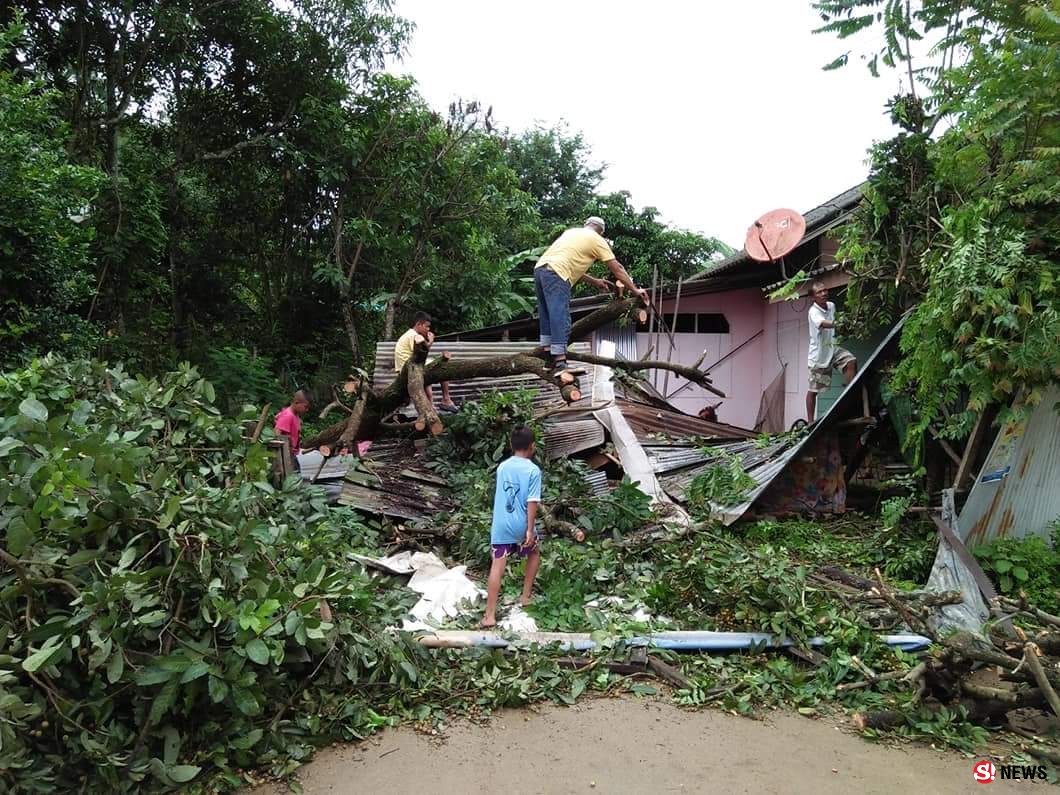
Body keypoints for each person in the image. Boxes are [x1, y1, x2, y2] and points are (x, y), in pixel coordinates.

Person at [534, 217, 649, 372]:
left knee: (547, 315)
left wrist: (595, 281)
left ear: (586, 225)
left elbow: (570, 264)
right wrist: (635, 290)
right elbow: (618, 269)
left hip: (541, 269)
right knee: (560, 315)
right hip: (557, 273)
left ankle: (549, 359)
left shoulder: (572, 232)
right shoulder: (597, 240)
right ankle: (560, 362)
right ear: (601, 232)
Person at [482, 425, 542, 628]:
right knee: (534, 553)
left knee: (497, 566)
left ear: (510, 445)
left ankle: (489, 616)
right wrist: (529, 530)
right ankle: (525, 597)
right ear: (532, 446)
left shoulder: (502, 467)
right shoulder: (533, 470)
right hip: (521, 525)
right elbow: (532, 501)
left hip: (501, 526)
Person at [806, 282, 857, 421]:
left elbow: (835, 323)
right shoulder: (813, 311)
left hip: (832, 348)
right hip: (819, 357)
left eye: (825, 290)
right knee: (814, 391)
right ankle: (810, 422)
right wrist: (841, 322)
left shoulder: (831, 306)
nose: (824, 293)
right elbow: (823, 323)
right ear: (813, 297)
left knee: (850, 361)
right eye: (819, 292)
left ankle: (848, 395)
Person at [393, 311, 458, 413]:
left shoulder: (410, 334)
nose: (428, 329)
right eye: (426, 326)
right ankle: (446, 399)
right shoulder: (413, 336)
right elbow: (421, 354)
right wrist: (431, 341)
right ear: (418, 324)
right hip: (409, 369)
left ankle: (431, 406)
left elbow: (420, 357)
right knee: (443, 366)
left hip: (410, 367)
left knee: (430, 369)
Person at [274, 391, 310, 466]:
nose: (307, 410)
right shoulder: (288, 415)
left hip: (292, 453)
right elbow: (277, 432)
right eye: (305, 407)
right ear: (296, 403)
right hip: (286, 454)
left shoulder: (295, 415)